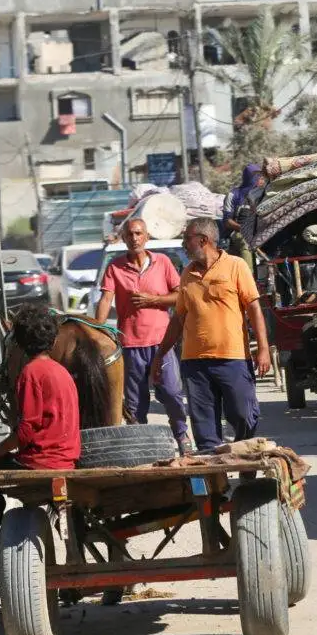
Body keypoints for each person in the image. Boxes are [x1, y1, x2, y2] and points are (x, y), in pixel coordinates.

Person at [0, 304, 80, 592]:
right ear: (52, 340)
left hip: (41, 461)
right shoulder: (60, 372)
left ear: (19, 342)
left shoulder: (31, 373)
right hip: (66, 457)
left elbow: (25, 431)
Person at [152, 218, 272, 453]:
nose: (184, 244)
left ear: (203, 240)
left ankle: (245, 453)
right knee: (204, 428)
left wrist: (264, 349)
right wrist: (160, 354)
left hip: (233, 358)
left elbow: (254, 308)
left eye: (187, 239)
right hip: (195, 363)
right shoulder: (187, 274)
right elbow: (178, 319)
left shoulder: (236, 265)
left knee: (243, 414)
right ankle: (215, 484)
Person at [95, 217, 192, 452]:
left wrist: (154, 300)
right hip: (130, 344)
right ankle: (144, 446)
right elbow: (106, 299)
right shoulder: (115, 267)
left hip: (162, 343)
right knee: (135, 403)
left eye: (138, 234)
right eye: (129, 235)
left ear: (147, 237)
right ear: (124, 238)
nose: (134, 238)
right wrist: (97, 333)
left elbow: (181, 296)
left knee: (171, 394)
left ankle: (181, 436)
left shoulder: (163, 263)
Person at [223, 164, 265, 264]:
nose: (261, 179)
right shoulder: (233, 195)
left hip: (259, 231)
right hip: (238, 232)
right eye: (258, 177)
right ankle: (249, 275)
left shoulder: (263, 194)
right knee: (245, 243)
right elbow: (227, 221)